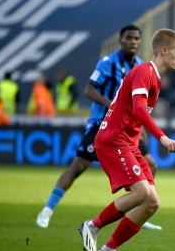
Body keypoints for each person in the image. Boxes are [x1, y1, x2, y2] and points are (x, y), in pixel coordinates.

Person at [36, 25, 161, 230]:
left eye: (137, 39)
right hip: (102, 125)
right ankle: (47, 210)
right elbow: (89, 90)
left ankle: (137, 209)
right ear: (121, 40)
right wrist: (112, 104)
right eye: (129, 38)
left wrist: (141, 125)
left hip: (128, 128)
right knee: (78, 166)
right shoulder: (107, 63)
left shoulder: (140, 66)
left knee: (151, 164)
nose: (133, 42)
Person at [79, 28, 175, 251]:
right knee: (141, 193)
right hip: (113, 140)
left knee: (151, 202)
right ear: (164, 50)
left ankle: (108, 250)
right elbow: (138, 109)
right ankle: (92, 226)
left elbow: (135, 113)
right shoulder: (143, 72)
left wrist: (139, 135)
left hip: (128, 142)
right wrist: (163, 138)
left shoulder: (154, 78)